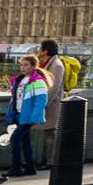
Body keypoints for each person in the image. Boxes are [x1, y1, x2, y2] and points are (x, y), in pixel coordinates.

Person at [4, 56, 48, 177]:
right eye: (21, 65)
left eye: (26, 65)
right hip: (18, 114)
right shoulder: (19, 80)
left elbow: (41, 100)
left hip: (28, 116)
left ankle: (16, 167)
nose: (23, 67)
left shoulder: (38, 81)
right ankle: (30, 167)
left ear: (33, 66)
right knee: (25, 141)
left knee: (14, 139)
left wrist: (35, 116)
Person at [34, 39, 65, 167]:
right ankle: (47, 160)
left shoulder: (56, 65)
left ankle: (51, 161)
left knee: (50, 132)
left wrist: (43, 103)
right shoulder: (46, 63)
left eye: (40, 49)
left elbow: (54, 87)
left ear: (45, 51)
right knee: (47, 132)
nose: (38, 51)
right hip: (46, 102)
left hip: (51, 104)